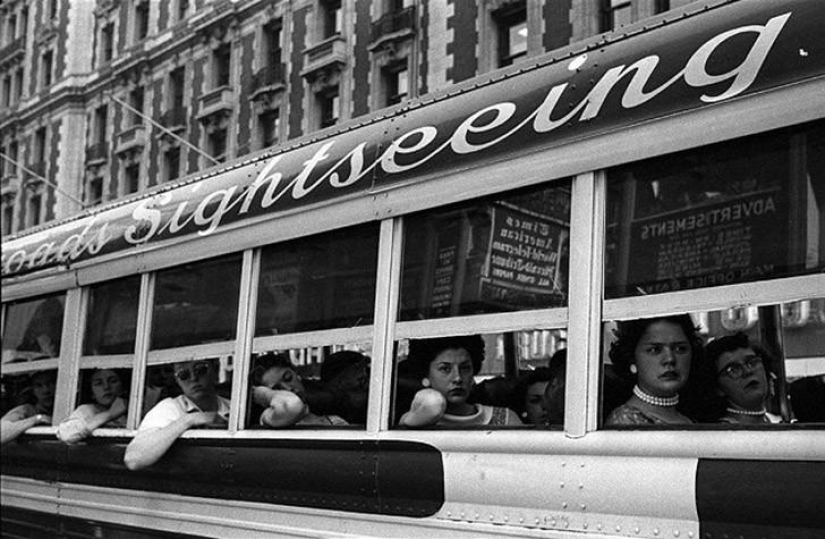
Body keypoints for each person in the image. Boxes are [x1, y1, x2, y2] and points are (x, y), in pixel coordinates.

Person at [124, 359, 229, 470]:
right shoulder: (170, 407)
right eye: (183, 374)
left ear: (215, 371)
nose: (193, 378)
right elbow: (133, 459)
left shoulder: (234, 406)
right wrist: (190, 419)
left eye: (201, 370)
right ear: (177, 381)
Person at [399, 335, 520, 427]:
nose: (457, 378)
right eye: (445, 369)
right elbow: (433, 405)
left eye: (465, 368)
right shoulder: (415, 419)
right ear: (426, 374)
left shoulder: (506, 419)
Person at [605, 315, 702, 426]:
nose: (669, 359)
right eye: (655, 350)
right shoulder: (626, 423)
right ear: (632, 358)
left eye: (680, 348)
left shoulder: (690, 417)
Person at [250, 352, 347, 427]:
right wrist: (258, 393)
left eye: (288, 377)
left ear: (295, 373)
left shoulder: (333, 421)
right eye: (277, 389)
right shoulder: (269, 419)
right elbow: (292, 406)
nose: (289, 388)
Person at [703, 333, 782, 424]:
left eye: (752, 362)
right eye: (733, 369)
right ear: (718, 387)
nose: (747, 371)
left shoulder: (775, 421)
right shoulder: (721, 432)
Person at [57, 369, 128, 444]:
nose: (106, 387)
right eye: (99, 383)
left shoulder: (135, 410)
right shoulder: (87, 410)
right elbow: (66, 435)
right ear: (92, 393)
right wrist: (110, 413)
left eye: (113, 381)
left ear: (123, 387)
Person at [0, 370, 56, 445]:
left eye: (51, 383)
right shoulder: (27, 410)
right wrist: (37, 419)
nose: (46, 390)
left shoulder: (70, 408)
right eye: (39, 385)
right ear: (33, 391)